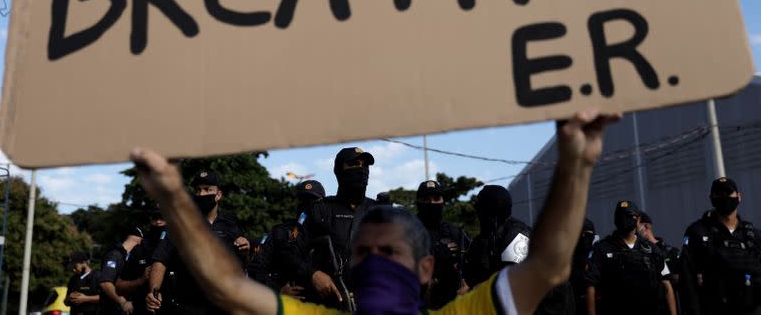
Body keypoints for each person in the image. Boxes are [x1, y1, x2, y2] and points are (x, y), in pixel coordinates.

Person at [130, 108, 621, 314]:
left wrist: (577, 160)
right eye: (366, 252)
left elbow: (551, 265)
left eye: (391, 250)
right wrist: (175, 199)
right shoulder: (318, 217)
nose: (377, 258)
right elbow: (229, 287)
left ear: (426, 268)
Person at [146, 169, 249, 315]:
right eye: (198, 190)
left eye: (207, 190)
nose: (201, 194)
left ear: (218, 195)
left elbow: (243, 262)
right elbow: (160, 259)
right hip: (190, 306)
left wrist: (245, 251)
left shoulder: (231, 223)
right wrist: (153, 291)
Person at [465, 184, 575, 314]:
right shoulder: (484, 240)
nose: (478, 214)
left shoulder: (517, 234)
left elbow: (515, 284)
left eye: (481, 209)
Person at [306, 147, 377, 308]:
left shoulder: (381, 211)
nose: (361, 169)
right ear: (339, 170)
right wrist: (313, 274)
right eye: (354, 164)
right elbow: (293, 253)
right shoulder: (320, 209)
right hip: (329, 304)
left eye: (364, 165)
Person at [679, 176, 761, 315]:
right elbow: (687, 279)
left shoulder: (752, 234)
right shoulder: (698, 232)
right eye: (719, 194)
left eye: (728, 193)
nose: (724, 197)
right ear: (711, 198)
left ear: (739, 197)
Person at [584, 200, 675, 315]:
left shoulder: (651, 249)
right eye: (621, 216)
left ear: (637, 221)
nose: (625, 220)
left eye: (629, 216)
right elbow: (590, 285)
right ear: (615, 220)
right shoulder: (601, 249)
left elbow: (666, 282)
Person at [248, 179, 326, 302]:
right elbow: (255, 269)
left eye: (313, 201)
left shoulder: (331, 234)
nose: (307, 206)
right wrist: (278, 290)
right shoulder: (280, 233)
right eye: (303, 200)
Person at [415, 179, 470, 309]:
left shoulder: (456, 233)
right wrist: (436, 254)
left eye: (436, 198)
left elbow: (471, 266)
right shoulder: (406, 230)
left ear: (443, 201)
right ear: (418, 202)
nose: (431, 203)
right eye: (426, 199)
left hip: (450, 305)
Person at [117, 211, 167, 314]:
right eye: (155, 218)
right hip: (142, 309)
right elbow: (119, 287)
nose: (158, 222)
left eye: (162, 218)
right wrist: (140, 280)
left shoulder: (181, 248)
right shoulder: (140, 249)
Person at [98, 227, 144, 315]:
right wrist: (123, 302)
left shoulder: (127, 257)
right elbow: (105, 282)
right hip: (111, 309)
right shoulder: (115, 255)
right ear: (137, 239)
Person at [570, 219, 597, 315]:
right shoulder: (565, 261)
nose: (583, 238)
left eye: (588, 235)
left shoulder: (598, 256)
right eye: (580, 234)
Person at [65, 251, 100, 315]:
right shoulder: (73, 280)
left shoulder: (97, 276)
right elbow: (65, 302)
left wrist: (86, 299)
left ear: (84, 263)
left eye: (75, 266)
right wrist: (69, 299)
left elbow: (106, 298)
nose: (73, 270)